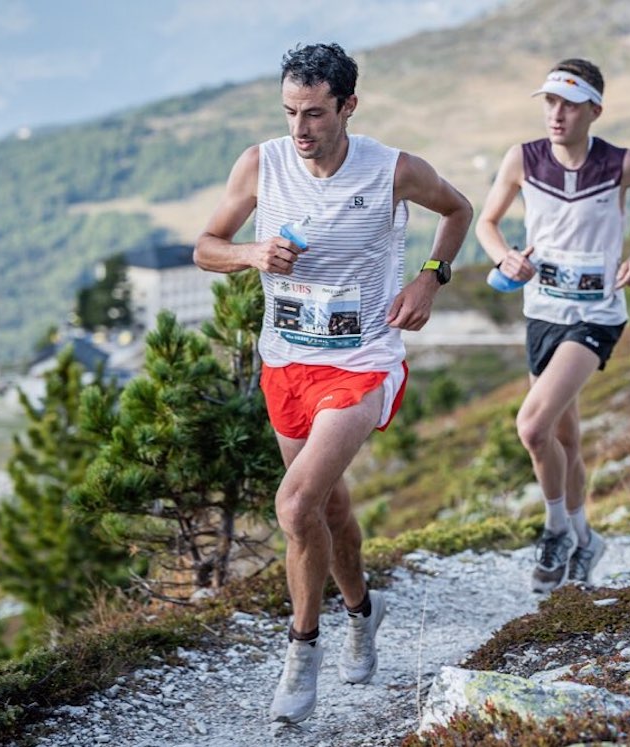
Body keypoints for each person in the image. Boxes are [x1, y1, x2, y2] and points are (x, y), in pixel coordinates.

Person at [193, 42, 472, 724]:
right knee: (329, 512)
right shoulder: (262, 163)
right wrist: (249, 253)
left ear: (348, 105)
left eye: (315, 113)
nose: (300, 129)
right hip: (285, 362)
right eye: (290, 112)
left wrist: (430, 277)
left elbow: (458, 210)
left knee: (294, 507)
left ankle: (302, 649)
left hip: (361, 361)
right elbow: (205, 246)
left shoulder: (394, 169)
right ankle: (361, 611)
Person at [475, 58, 630, 593]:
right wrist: (504, 260)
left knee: (532, 427)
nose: (557, 113)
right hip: (543, 311)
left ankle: (555, 531)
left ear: (594, 109)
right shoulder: (522, 159)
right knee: (564, 437)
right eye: (549, 101)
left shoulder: (621, 164)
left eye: (569, 104)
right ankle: (586, 537)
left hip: (595, 315)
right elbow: (487, 223)